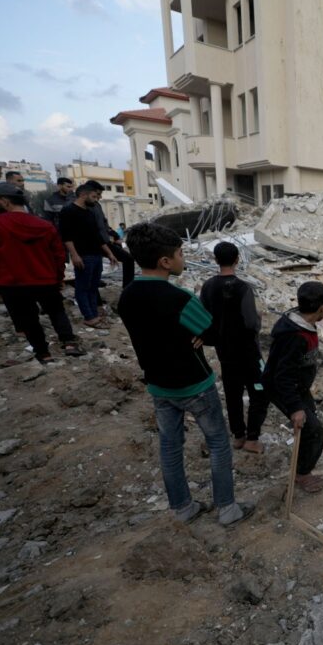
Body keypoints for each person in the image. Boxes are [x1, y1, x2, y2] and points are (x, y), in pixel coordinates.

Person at [118, 221, 254, 526]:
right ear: (165, 261)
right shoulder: (179, 299)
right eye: (180, 253)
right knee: (218, 442)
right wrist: (199, 335)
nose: (183, 258)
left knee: (169, 446)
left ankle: (182, 508)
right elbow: (211, 331)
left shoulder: (127, 296)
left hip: (158, 385)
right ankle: (228, 509)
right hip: (195, 383)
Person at [0, 182, 85, 363]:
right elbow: (59, 254)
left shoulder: (0, 224)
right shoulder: (44, 225)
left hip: (14, 284)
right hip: (45, 280)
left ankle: (43, 353)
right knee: (56, 311)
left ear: (5, 202)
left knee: (28, 319)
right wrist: (59, 277)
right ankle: (69, 343)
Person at [261, 282, 323, 493]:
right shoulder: (294, 337)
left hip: (298, 386)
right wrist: (294, 408)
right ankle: (302, 474)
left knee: (310, 426)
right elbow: (282, 376)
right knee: (316, 432)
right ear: (322, 307)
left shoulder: (300, 325)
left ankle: (302, 467)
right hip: (283, 387)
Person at [200, 242, 268, 454]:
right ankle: (252, 438)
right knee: (259, 391)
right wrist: (258, 320)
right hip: (248, 353)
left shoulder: (208, 287)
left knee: (233, 393)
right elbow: (250, 322)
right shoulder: (243, 287)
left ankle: (238, 435)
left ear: (215, 260)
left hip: (225, 353)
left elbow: (203, 317)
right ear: (237, 259)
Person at [59, 180, 117, 327]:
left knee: (92, 287)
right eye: (94, 196)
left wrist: (109, 253)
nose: (96, 199)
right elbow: (66, 236)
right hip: (83, 255)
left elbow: (97, 236)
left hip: (96, 255)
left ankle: (94, 315)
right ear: (84, 194)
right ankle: (89, 317)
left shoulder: (89, 212)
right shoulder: (68, 211)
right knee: (83, 287)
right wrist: (75, 255)